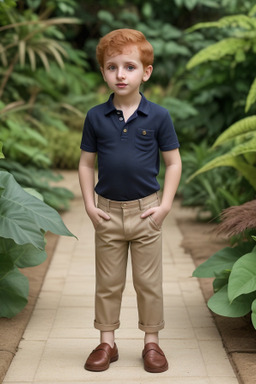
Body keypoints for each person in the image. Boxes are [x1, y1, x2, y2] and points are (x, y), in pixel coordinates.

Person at [78, 28, 182, 373]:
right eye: (112, 67)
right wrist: (90, 206)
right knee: (108, 283)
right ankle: (107, 342)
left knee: (148, 283)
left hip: (146, 213)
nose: (120, 74)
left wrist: (164, 206)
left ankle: (151, 344)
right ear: (104, 72)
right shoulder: (95, 116)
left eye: (129, 67)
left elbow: (173, 162)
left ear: (146, 72)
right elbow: (85, 163)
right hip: (107, 213)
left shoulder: (159, 117)